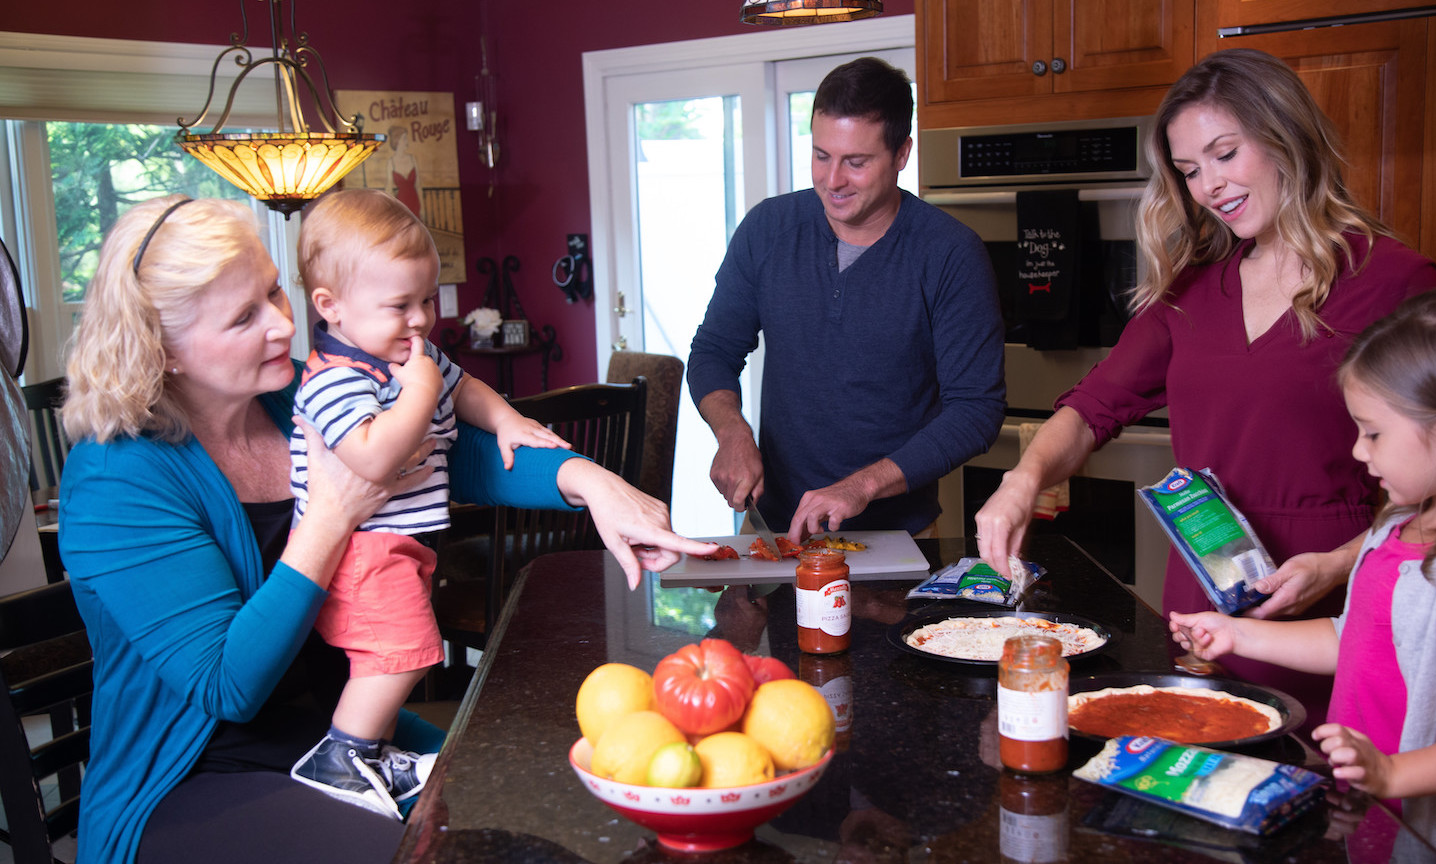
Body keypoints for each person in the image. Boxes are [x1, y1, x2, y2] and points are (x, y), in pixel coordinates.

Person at [56, 195, 713, 864]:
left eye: (274, 291)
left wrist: (593, 483)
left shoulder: (291, 400)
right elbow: (229, 686)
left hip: (340, 733)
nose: (284, 324)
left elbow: (457, 452)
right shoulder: (117, 480)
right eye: (244, 317)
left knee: (554, 808)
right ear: (163, 350)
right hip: (194, 780)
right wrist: (333, 514)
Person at [974, 48, 1436, 717]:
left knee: (1328, 800)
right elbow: (1091, 409)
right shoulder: (1191, 292)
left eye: (1226, 154)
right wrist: (1023, 480)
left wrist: (1340, 566)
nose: (1210, 185)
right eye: (1190, 171)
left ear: (1287, 138)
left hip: (1338, 605)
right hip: (1202, 608)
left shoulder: (1394, 281)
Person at [1171, 286, 1436, 864]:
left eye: (1373, 433)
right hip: (1368, 815)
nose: (1359, 453)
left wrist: (1392, 773)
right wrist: (1238, 634)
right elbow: (1356, 639)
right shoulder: (1391, 529)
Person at [284, 188, 568, 817]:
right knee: (402, 650)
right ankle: (344, 754)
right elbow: (373, 458)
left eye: (426, 300)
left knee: (400, 650)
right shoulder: (335, 379)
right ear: (330, 307)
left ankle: (370, 749)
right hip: (361, 549)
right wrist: (420, 390)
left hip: (402, 545)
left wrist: (506, 421)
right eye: (398, 305)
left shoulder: (407, 359)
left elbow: (464, 386)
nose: (419, 320)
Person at [687, 56, 1004, 541]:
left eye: (856, 162)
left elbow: (976, 410)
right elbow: (713, 350)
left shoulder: (950, 253)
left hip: (902, 537)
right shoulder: (767, 229)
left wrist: (862, 486)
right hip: (777, 531)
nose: (832, 181)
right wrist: (732, 431)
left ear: (902, 153)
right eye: (820, 155)